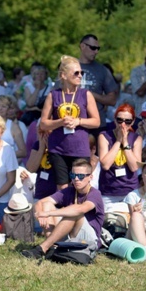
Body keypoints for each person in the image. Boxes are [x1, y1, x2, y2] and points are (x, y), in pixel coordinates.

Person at [22, 158, 104, 259]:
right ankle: (51, 247)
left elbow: (81, 209)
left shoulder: (95, 194)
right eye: (73, 175)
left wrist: (48, 214)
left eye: (81, 176)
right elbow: (40, 202)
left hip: (89, 239)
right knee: (47, 205)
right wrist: (40, 213)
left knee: (74, 214)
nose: (76, 179)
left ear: (90, 177)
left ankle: (43, 248)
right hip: (71, 234)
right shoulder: (69, 191)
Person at [40, 55, 100, 190]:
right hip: (58, 148)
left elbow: (96, 121)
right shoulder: (53, 95)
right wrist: (61, 122)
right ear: (64, 75)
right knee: (63, 187)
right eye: (76, 73)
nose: (80, 76)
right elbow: (43, 123)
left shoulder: (85, 94)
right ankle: (63, 211)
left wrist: (78, 121)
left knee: (80, 186)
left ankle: (79, 211)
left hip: (80, 148)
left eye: (81, 73)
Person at [98, 104, 143, 205]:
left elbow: (134, 167)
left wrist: (125, 142)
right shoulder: (104, 136)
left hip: (130, 190)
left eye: (127, 121)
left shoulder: (137, 138)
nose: (123, 124)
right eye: (120, 120)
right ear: (114, 120)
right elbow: (105, 165)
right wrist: (118, 141)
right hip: (108, 191)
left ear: (133, 122)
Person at [78, 34, 119, 130]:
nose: (96, 51)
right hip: (73, 124)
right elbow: (56, 95)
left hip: (97, 125)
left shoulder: (103, 70)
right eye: (93, 48)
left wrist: (90, 94)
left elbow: (112, 100)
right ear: (82, 46)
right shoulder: (69, 68)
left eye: (98, 48)